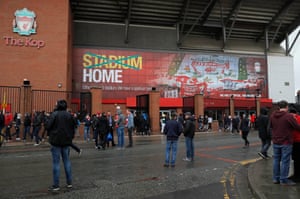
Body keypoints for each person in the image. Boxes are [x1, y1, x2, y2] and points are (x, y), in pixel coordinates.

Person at [46, 99, 75, 192]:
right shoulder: (69, 115)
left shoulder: (54, 114)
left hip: (55, 141)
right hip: (66, 141)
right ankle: (69, 182)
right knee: (67, 161)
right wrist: (70, 138)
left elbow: (48, 126)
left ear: (58, 106)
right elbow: (73, 128)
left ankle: (56, 185)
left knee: (56, 163)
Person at [270, 100, 300, 186]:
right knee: (285, 161)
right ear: (286, 107)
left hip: (276, 141)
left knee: (276, 160)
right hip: (286, 141)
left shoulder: (272, 116)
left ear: (279, 107)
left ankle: (276, 178)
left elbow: (271, 127)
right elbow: (297, 127)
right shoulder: (288, 116)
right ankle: (283, 180)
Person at [289, 107, 300, 182]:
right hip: (297, 141)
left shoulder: (289, 118)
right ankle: (296, 174)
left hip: (294, 141)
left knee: (296, 159)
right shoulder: (298, 117)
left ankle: (297, 175)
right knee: (297, 159)